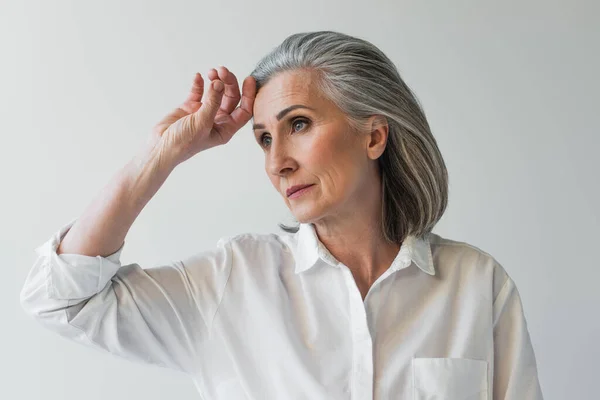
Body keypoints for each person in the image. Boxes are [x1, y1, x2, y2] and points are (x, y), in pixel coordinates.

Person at [20, 31, 543, 399]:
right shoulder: (232, 280)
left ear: (374, 135)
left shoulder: (477, 286)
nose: (277, 162)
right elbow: (60, 300)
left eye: (299, 125)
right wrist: (162, 154)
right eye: (264, 138)